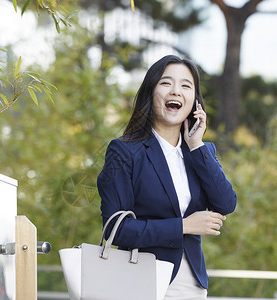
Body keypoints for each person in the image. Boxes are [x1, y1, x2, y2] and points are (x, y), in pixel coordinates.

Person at [97, 55, 237, 299]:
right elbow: (115, 230)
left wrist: (196, 145)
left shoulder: (200, 152)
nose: (176, 91)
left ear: (195, 100)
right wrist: (183, 226)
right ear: (151, 92)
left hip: (190, 284)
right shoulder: (124, 151)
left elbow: (226, 204)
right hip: (139, 279)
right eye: (166, 83)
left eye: (186, 85)